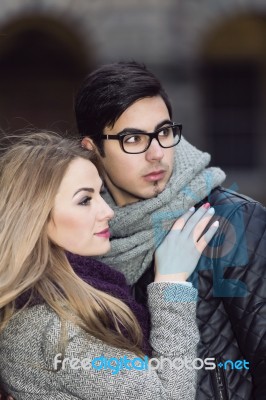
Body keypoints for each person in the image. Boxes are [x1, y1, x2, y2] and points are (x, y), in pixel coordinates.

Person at [75, 61, 266, 399]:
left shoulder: (233, 221)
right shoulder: (81, 239)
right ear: (92, 149)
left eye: (163, 132)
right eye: (133, 138)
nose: (157, 153)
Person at [0, 131, 219, 399]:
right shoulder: (55, 330)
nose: (108, 212)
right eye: (85, 200)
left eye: (100, 194)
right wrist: (171, 284)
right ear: (34, 217)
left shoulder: (71, 293)